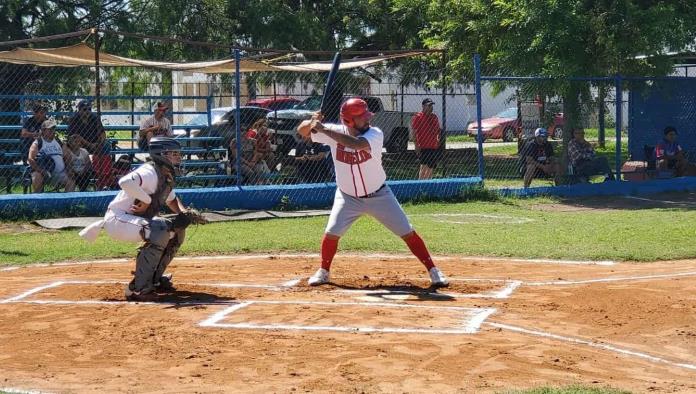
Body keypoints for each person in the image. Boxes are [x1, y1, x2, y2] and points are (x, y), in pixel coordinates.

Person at [297, 98, 449, 287]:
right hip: (347, 197)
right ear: (349, 121)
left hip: (379, 195)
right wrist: (311, 122)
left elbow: (356, 144)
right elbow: (301, 131)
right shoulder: (333, 132)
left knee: (407, 232)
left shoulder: (374, 134)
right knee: (331, 233)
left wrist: (323, 129)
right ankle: (324, 271)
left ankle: (434, 270)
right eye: (362, 118)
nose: (367, 120)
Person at [78, 137, 204, 301]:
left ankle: (153, 280)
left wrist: (184, 213)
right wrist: (147, 200)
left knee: (178, 229)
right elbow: (124, 181)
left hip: (132, 221)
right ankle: (139, 289)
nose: (178, 157)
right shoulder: (149, 171)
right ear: (161, 154)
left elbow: (171, 199)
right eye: (174, 153)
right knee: (160, 229)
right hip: (118, 220)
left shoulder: (164, 174)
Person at [67, 99, 114, 189]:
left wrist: (100, 142)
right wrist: (88, 144)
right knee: (77, 143)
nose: (87, 111)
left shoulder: (94, 118)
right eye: (84, 109)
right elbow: (73, 138)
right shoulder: (74, 119)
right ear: (79, 110)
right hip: (79, 146)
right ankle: (93, 174)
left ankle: (104, 176)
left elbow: (102, 133)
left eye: (89, 109)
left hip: (94, 145)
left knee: (106, 144)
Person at [27, 118, 75, 193]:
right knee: (37, 176)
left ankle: (67, 203)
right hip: (43, 172)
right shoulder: (38, 142)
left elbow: (68, 156)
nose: (52, 131)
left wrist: (68, 168)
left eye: (53, 129)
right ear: (43, 130)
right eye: (50, 129)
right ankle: (37, 202)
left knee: (71, 181)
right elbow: (30, 159)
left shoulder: (59, 142)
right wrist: (42, 171)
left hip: (59, 173)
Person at [412, 98, 441, 179]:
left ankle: (428, 183)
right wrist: (416, 145)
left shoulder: (434, 117)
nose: (431, 107)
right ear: (423, 106)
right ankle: (421, 183)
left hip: (433, 146)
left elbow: (438, 130)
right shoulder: (418, 117)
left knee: (431, 167)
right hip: (423, 146)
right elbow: (414, 132)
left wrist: (438, 140)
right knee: (423, 166)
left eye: (431, 106)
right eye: (429, 106)